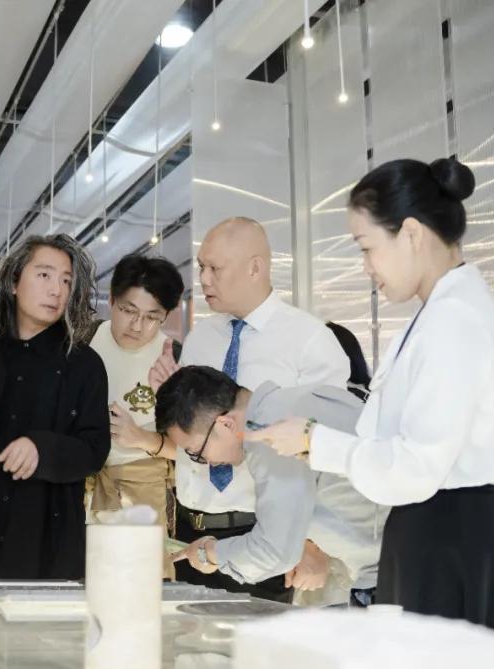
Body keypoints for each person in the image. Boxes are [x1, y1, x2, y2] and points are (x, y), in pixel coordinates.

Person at [247, 158, 494, 652]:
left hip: (450, 543)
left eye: (367, 247)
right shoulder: (440, 313)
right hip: (438, 539)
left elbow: (415, 465)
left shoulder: (454, 321)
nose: (366, 267)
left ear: (411, 233)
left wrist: (315, 441)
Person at [148, 217, 349, 602]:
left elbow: (328, 450)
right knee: (190, 639)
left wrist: (311, 542)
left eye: (214, 268)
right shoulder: (200, 338)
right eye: (201, 267)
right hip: (192, 533)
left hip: (264, 535)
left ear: (255, 267)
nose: (203, 279)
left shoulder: (309, 341)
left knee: (255, 641)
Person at [0, 234, 110, 580]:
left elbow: (95, 449)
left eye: (66, 281)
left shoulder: (84, 364)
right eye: (45, 275)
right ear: (14, 282)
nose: (57, 290)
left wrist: (43, 449)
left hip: (48, 535)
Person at [155, 366, 381, 601]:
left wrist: (209, 553)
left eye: (196, 452)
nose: (206, 462)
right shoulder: (289, 403)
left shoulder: (269, 432)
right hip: (390, 556)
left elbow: (274, 552)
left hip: (390, 564)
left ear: (226, 424)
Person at [88, 255, 183, 566]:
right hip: (82, 488)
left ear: (165, 316)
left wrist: (140, 437)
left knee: (143, 579)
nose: (137, 326)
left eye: (152, 317)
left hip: (144, 493)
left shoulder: (174, 360)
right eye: (128, 311)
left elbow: (191, 452)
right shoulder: (84, 342)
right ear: (111, 300)